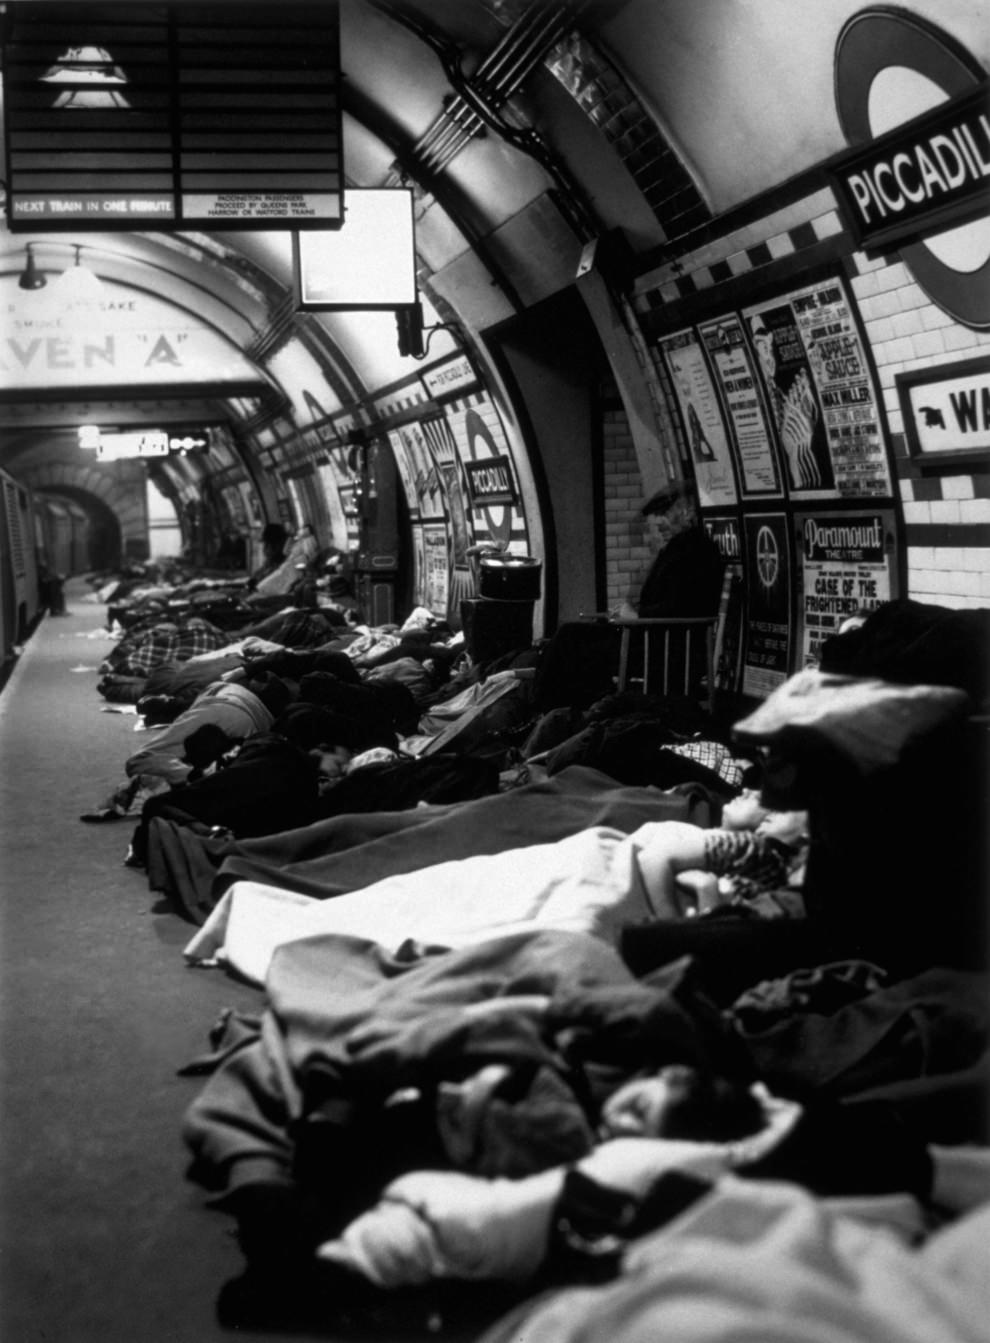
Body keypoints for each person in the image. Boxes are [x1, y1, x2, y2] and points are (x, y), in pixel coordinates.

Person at [534, 480, 725, 712]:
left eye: (665, 513)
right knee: (569, 635)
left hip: (666, 650)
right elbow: (668, 601)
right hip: (652, 639)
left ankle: (551, 712)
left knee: (571, 641)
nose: (660, 522)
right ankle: (556, 712)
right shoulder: (681, 549)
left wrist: (635, 615)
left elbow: (680, 608)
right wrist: (630, 613)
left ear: (688, 512)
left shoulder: (697, 552)